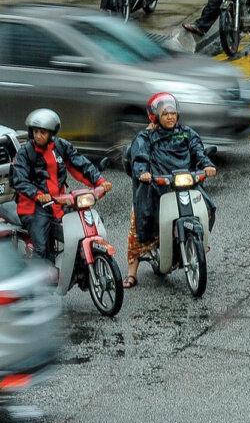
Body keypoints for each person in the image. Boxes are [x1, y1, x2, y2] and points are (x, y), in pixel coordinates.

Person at [126, 93, 217, 287]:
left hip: (186, 184)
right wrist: (143, 172)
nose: (170, 117)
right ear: (155, 116)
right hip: (158, 187)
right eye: (165, 113)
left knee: (209, 208)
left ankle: (198, 243)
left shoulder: (186, 132)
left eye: (173, 113)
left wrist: (207, 165)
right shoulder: (146, 136)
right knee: (139, 221)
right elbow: (140, 157)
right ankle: (131, 273)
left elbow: (198, 151)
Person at [11, 109, 111, 261]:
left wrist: (100, 182)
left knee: (88, 224)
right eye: (36, 131)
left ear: (51, 133)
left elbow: (80, 164)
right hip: (33, 207)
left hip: (58, 201)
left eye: (43, 132)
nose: (38, 135)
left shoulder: (61, 146)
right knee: (42, 248)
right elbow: (19, 179)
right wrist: (38, 194)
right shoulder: (25, 153)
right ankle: (39, 280)